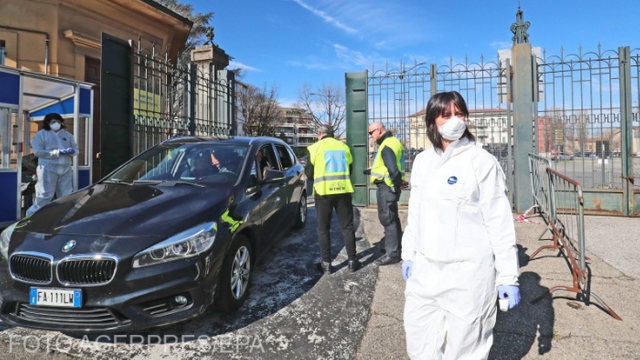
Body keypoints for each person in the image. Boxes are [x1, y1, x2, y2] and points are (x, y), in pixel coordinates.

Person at [401, 91, 520, 359]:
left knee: (466, 349)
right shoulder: (423, 161)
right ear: (432, 122)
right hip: (426, 271)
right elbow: (416, 212)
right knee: (420, 343)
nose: (456, 120)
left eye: (460, 114)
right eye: (447, 115)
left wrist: (508, 277)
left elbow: (498, 222)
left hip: (468, 276)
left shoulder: (481, 162)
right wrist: (408, 254)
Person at [305, 124, 360, 274]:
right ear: (333, 134)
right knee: (347, 227)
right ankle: (352, 261)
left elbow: (309, 174)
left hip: (323, 194)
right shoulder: (344, 147)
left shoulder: (315, 148)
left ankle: (327, 264)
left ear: (320, 133)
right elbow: (349, 169)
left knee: (323, 229)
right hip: (343, 192)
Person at [365, 121, 406, 266]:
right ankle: (395, 248)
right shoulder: (394, 142)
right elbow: (392, 167)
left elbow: (393, 170)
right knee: (392, 218)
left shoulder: (386, 145)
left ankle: (392, 254)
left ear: (380, 130)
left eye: (371, 132)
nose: (370, 136)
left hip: (387, 188)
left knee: (387, 219)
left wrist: (395, 184)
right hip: (391, 186)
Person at [26, 113, 79, 216]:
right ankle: (30, 217)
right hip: (48, 168)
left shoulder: (67, 135)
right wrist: (58, 152)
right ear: (47, 123)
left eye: (59, 122)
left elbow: (76, 150)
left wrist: (71, 151)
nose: (57, 124)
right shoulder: (41, 134)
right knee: (45, 195)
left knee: (66, 195)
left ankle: (63, 218)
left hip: (65, 168)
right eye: (53, 122)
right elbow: (38, 152)